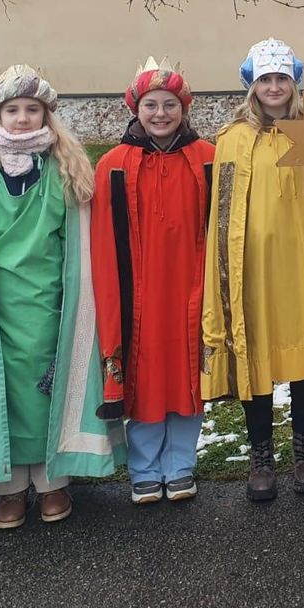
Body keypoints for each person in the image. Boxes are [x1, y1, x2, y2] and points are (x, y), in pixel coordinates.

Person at [0, 64, 122, 528]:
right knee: (1, 389)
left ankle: (52, 481)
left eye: (33, 109)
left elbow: (80, 237)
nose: (23, 118)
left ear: (47, 116)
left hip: (52, 299)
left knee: (46, 386)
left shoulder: (65, 170)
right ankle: (8, 487)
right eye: (13, 110)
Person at [200, 38, 304, 502]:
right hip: (254, 272)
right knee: (256, 355)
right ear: (252, 85)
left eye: (281, 79)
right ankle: (261, 455)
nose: (274, 87)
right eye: (265, 79)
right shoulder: (231, 140)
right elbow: (222, 215)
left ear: (294, 84)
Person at [92, 58, 216, 505]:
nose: (160, 114)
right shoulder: (114, 165)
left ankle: (180, 465)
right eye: (151, 105)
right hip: (137, 291)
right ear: (136, 109)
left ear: (184, 109)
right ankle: (144, 469)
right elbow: (103, 236)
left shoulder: (208, 159)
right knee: (143, 378)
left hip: (191, 286)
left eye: (169, 105)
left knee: (188, 376)